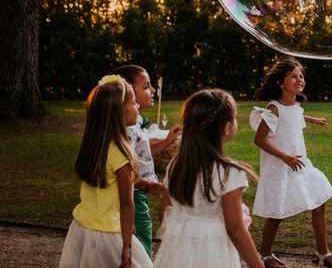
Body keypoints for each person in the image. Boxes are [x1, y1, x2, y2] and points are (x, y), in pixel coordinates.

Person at [153, 89, 263, 268]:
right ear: (227, 127)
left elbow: (164, 210)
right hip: (213, 251)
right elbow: (235, 229)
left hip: (178, 250)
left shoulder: (176, 165)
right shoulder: (229, 172)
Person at [251, 57, 332, 268]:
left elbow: (295, 114)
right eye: (293, 76)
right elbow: (259, 139)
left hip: (300, 165)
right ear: (279, 83)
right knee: (277, 214)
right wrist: (284, 156)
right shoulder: (273, 108)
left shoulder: (295, 105)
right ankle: (265, 256)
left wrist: (313, 120)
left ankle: (323, 253)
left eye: (301, 76)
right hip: (281, 167)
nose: (299, 79)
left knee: (319, 203)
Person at [59, 75, 152, 268]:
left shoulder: (96, 146)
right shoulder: (122, 152)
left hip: (82, 229)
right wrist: (127, 245)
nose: (138, 107)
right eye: (134, 103)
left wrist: (148, 186)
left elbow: (111, 182)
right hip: (109, 235)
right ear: (119, 112)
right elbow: (127, 204)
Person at [112, 64, 182, 257]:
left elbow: (141, 153)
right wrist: (149, 185)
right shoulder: (127, 128)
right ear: (127, 91)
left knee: (140, 233)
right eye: (146, 86)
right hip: (133, 191)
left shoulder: (134, 121)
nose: (153, 90)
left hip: (138, 190)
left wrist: (167, 141)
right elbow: (124, 166)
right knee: (142, 236)